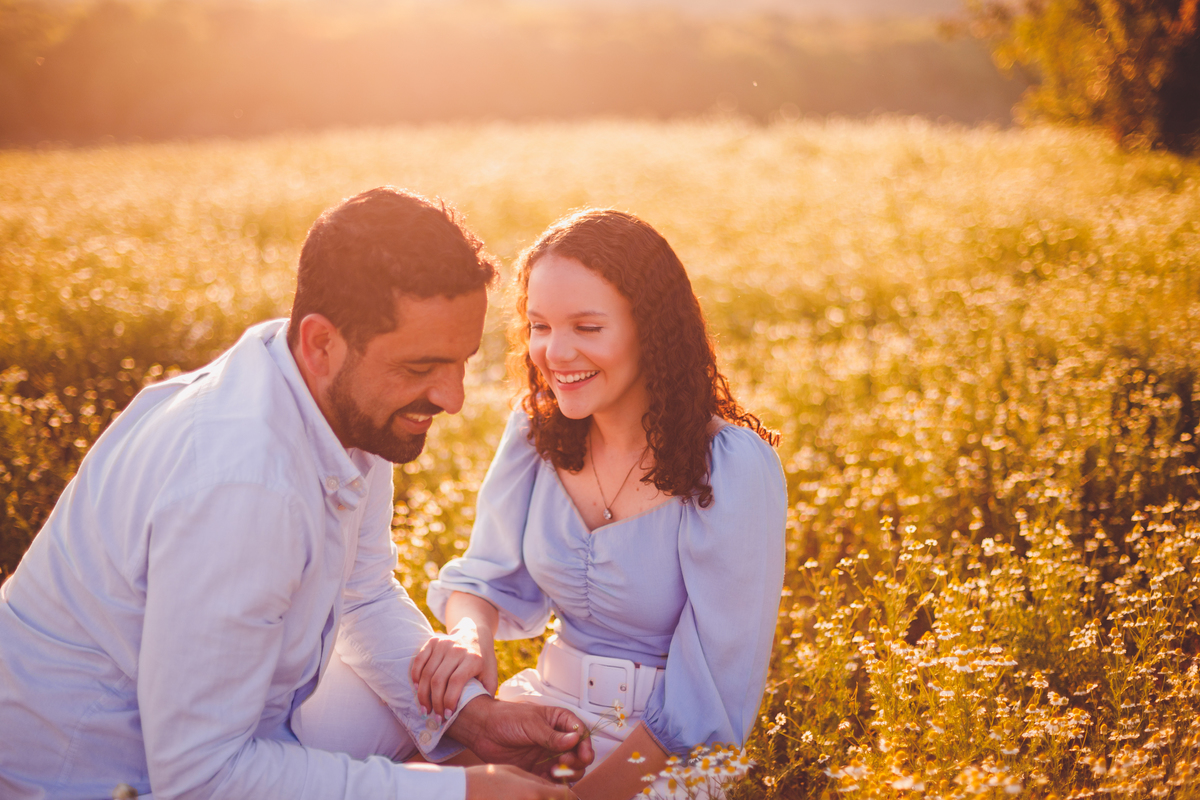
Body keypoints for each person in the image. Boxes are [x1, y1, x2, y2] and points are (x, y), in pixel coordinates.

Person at [0, 187, 592, 800]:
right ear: (321, 342)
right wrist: (459, 794)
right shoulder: (242, 485)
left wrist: (476, 718)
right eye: (420, 368)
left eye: (460, 362)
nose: (452, 398)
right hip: (88, 776)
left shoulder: (334, 399)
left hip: (219, 728)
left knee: (412, 700)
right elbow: (200, 777)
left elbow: (361, 595)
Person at [415, 209, 787, 800]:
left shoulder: (733, 467)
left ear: (652, 329)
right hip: (541, 715)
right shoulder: (535, 431)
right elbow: (484, 579)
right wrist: (469, 636)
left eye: (587, 328)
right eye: (539, 326)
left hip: (668, 754)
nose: (555, 353)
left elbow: (712, 695)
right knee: (381, 772)